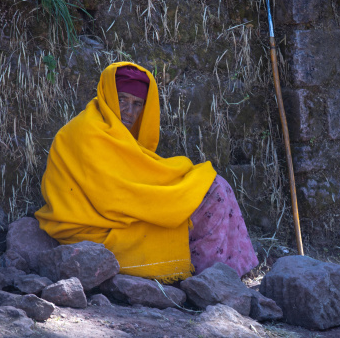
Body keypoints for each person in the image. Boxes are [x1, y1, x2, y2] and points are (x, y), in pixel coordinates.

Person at [35, 62, 258, 283]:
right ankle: (212, 283)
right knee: (213, 193)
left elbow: (132, 182)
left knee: (214, 187)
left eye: (137, 104)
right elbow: (113, 199)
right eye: (121, 99)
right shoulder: (87, 132)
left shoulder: (114, 133)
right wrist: (173, 200)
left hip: (113, 217)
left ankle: (221, 281)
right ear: (107, 95)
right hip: (92, 228)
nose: (129, 111)